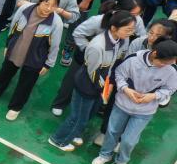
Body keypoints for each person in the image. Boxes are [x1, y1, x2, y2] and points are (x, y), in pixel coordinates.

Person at [48, 11, 136, 152]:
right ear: (114, 28)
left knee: (88, 114)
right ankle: (58, 139)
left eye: (132, 29)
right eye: (128, 29)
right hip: (87, 86)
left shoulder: (118, 40)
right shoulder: (97, 46)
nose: (130, 33)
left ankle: (74, 134)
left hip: (99, 84)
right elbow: (93, 72)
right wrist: (104, 88)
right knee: (77, 117)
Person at [91, 38, 177, 164]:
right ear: (154, 54)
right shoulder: (133, 60)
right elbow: (119, 74)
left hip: (145, 111)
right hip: (122, 105)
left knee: (129, 140)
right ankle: (104, 155)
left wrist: (153, 96)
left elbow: (170, 89)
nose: (165, 65)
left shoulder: (171, 70)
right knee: (112, 131)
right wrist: (126, 89)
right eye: (163, 62)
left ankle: (121, 161)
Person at [0, 0, 64, 120]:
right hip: (17, 49)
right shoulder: (25, 9)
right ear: (40, 1)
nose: (48, 8)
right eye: (46, 4)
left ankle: (16, 106)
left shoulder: (56, 23)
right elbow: (13, 27)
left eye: (53, 6)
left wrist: (48, 64)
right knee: (6, 71)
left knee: (26, 83)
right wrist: (8, 44)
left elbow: (55, 46)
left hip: (35, 58)